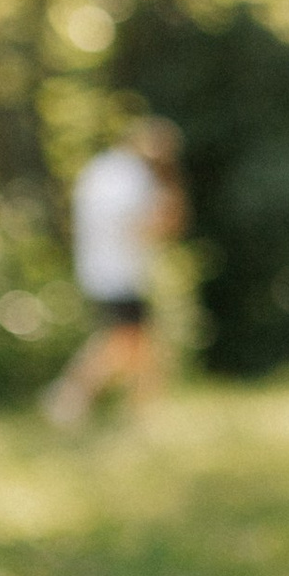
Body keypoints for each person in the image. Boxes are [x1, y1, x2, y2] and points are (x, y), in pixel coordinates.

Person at [46, 118, 185, 425]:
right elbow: (154, 226)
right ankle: (66, 400)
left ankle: (139, 412)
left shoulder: (101, 170)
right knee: (120, 344)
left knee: (139, 346)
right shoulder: (133, 177)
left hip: (99, 268)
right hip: (121, 272)